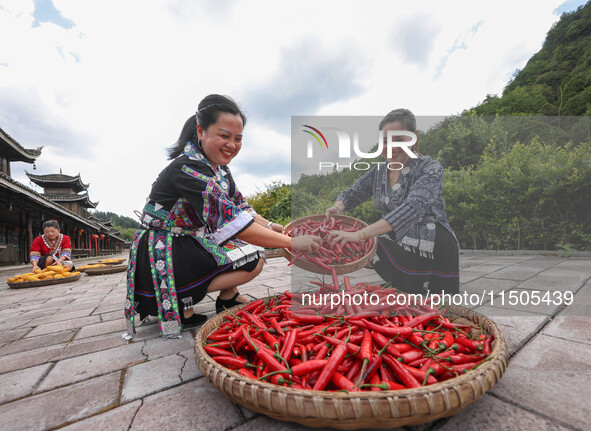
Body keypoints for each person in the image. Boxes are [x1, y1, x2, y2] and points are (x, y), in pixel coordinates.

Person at [124, 94, 320, 339]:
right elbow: (233, 222)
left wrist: (272, 226)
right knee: (253, 254)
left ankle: (228, 296)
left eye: (238, 139)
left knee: (241, 248)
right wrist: (292, 243)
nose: (232, 145)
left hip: (185, 241)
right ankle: (181, 296)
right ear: (201, 131)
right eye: (224, 136)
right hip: (164, 247)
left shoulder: (219, 170)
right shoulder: (188, 169)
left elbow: (240, 207)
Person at [326, 108, 459, 295]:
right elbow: (353, 192)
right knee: (358, 245)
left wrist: (361, 234)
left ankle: (418, 285)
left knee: (367, 241)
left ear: (413, 137)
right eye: (386, 141)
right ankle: (407, 285)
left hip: (431, 241)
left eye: (399, 139)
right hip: (400, 238)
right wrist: (337, 207)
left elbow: (412, 208)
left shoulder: (429, 168)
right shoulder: (379, 171)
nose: (391, 147)